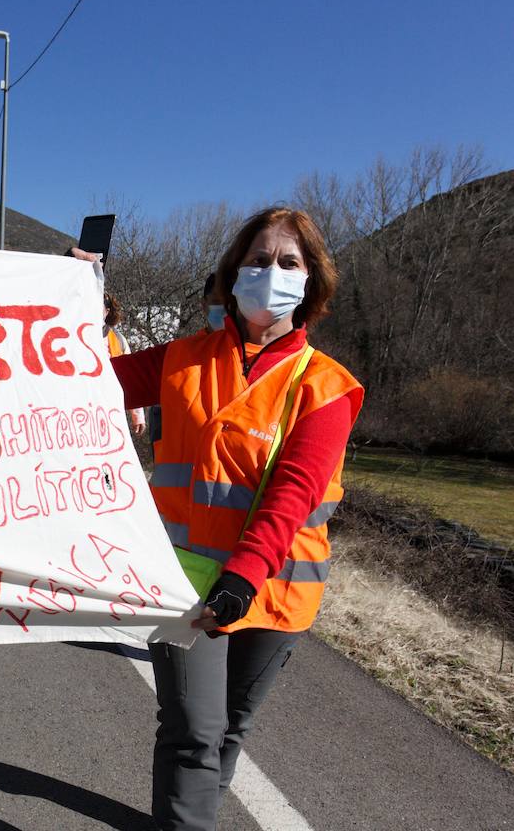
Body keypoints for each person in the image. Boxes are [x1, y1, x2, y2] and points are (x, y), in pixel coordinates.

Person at [76, 207, 362, 830]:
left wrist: (245, 573)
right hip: (187, 588)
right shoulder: (180, 359)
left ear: (311, 281)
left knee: (231, 727)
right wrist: (72, 307)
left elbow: (294, 490)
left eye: (290, 262)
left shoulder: (326, 386)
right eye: (259, 260)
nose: (272, 272)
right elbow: (80, 380)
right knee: (193, 735)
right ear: (233, 273)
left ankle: (192, 811)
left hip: (277, 590)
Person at [103, 292, 147, 436]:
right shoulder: (72, 334)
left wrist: (137, 415)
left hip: (111, 408)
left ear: (106, 311)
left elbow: (130, 378)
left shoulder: (117, 339)